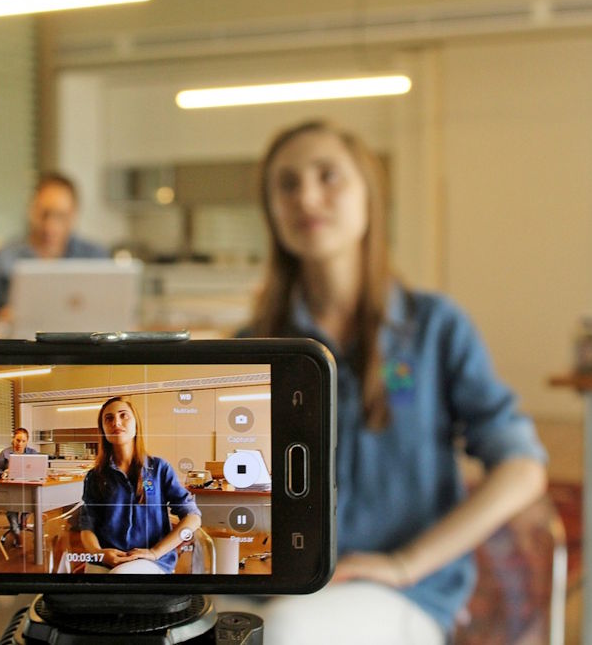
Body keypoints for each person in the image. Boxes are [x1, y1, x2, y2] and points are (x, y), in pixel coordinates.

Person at [229, 120, 548, 645]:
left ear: (369, 197)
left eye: (327, 176)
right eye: (286, 184)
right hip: (276, 586)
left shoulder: (434, 329)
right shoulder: (253, 345)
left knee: (282, 632)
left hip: (404, 592)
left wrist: (407, 563)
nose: (306, 196)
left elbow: (523, 467)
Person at [0, 171, 108, 337]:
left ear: (74, 215)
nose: (50, 225)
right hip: (21, 357)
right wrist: (0, 322)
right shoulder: (3, 257)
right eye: (44, 214)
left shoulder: (95, 258)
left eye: (60, 216)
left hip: (81, 357)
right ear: (32, 210)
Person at [79, 396, 201, 574]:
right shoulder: (95, 476)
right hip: (106, 559)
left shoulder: (159, 469)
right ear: (103, 429)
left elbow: (193, 517)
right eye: (109, 418)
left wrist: (155, 552)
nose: (116, 422)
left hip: (151, 561)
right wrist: (99, 553)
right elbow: (87, 527)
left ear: (136, 425)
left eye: (123, 415)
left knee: (119, 577)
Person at [0, 427, 38, 548]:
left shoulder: (33, 453)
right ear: (13, 439)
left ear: (27, 441)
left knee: (32, 499)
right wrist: (4, 473)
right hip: (10, 489)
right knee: (12, 506)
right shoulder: (5, 453)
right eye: (18, 440)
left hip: (27, 488)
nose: (20, 444)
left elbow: (39, 470)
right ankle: (16, 531)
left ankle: (23, 519)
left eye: (23, 441)